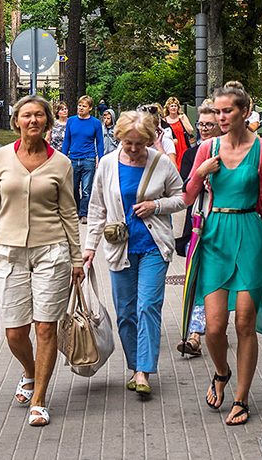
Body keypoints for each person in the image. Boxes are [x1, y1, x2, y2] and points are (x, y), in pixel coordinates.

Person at [181, 84, 262, 426]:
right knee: (213, 326)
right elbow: (187, 196)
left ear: (244, 111)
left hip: (251, 236)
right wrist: (200, 173)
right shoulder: (207, 148)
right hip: (215, 237)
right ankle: (221, 372)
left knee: (244, 322)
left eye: (228, 111)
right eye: (217, 111)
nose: (221, 117)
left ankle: (241, 397)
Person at [0, 95, 84, 427]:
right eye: (27, 115)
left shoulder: (61, 163)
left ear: (47, 122)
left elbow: (69, 213)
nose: (33, 121)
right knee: (16, 332)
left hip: (52, 252)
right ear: (16, 121)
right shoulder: (0, 158)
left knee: (45, 327)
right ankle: (30, 372)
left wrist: (77, 259)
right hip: (10, 252)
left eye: (39, 115)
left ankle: (39, 399)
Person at [85, 111, 185, 396]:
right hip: (120, 249)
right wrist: (89, 247)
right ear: (119, 138)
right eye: (127, 143)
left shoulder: (161, 163)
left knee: (148, 306)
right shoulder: (107, 164)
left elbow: (181, 197)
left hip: (154, 246)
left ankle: (144, 370)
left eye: (139, 144)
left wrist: (157, 206)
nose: (132, 148)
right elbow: (97, 208)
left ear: (149, 140)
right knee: (126, 313)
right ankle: (134, 365)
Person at [174, 101, 221, 357]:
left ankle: (214, 327)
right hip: (198, 222)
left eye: (209, 125)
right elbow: (185, 190)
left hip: (225, 224)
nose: (203, 129)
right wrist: (200, 174)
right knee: (197, 276)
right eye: (201, 124)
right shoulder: (192, 155)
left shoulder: (231, 153)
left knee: (214, 279)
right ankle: (194, 334)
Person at [61, 95, 105, 224]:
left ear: (90, 108)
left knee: (86, 189)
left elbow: (100, 142)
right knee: (73, 187)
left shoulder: (95, 123)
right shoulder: (71, 121)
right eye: (79, 105)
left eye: (84, 106)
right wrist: (63, 157)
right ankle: (77, 209)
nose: (81, 108)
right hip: (73, 158)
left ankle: (84, 213)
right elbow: (67, 140)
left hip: (88, 158)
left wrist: (100, 158)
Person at [162, 97, 194, 168]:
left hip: (183, 146)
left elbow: (190, 130)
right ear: (168, 108)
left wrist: (182, 120)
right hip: (172, 147)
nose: (173, 108)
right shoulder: (164, 120)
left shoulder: (182, 117)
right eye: (171, 106)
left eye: (175, 106)